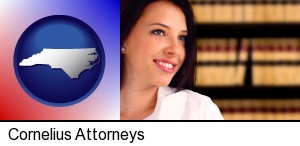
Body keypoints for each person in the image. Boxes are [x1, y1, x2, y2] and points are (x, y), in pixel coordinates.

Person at [120, 0, 224, 120]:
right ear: (123, 38)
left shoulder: (200, 112)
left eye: (182, 38)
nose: (175, 50)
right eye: (159, 32)